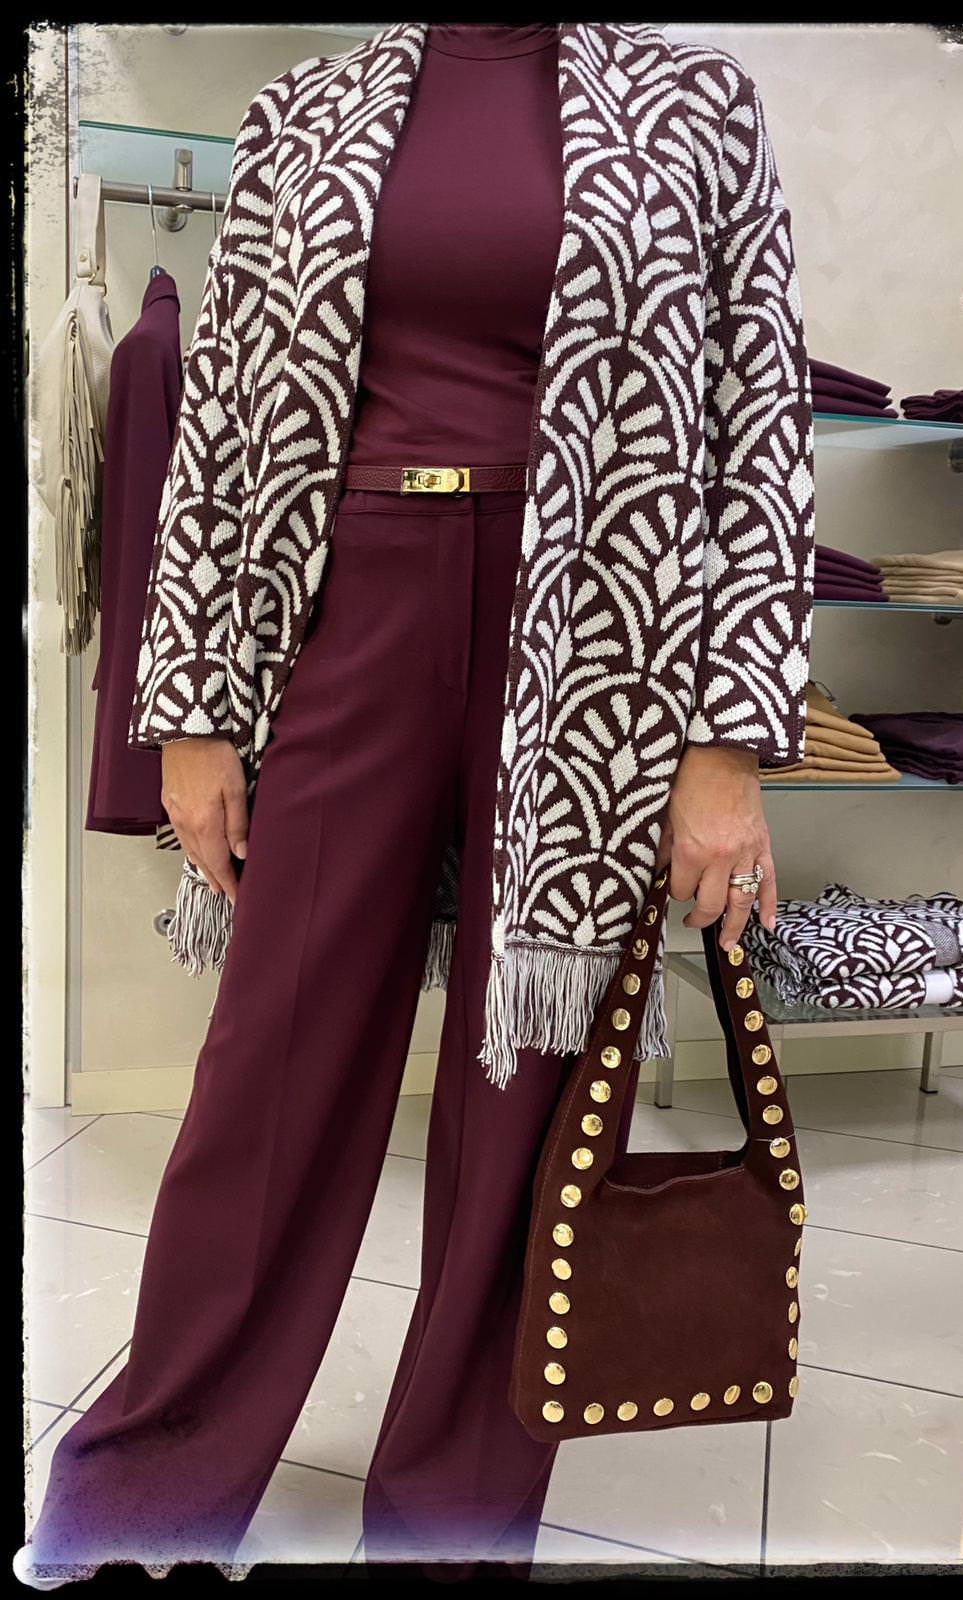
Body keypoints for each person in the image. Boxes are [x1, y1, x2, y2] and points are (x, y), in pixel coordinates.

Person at [19, 20, 814, 1588]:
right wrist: (196, 711)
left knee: (530, 1091)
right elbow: (225, 423)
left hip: (596, 635)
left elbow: (755, 426)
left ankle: (453, 1520)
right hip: (356, 600)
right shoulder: (307, 109)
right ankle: (151, 1488)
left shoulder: (694, 102)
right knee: (271, 1071)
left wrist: (725, 745)